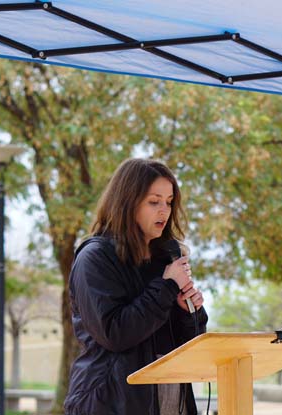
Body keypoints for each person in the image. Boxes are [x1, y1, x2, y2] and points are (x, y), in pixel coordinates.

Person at [64, 158, 208, 415]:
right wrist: (165, 287)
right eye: (154, 202)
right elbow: (115, 333)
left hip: (170, 398)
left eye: (169, 201)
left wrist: (189, 313)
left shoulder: (167, 256)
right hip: (110, 402)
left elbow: (186, 345)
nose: (163, 211)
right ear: (128, 202)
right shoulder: (95, 258)